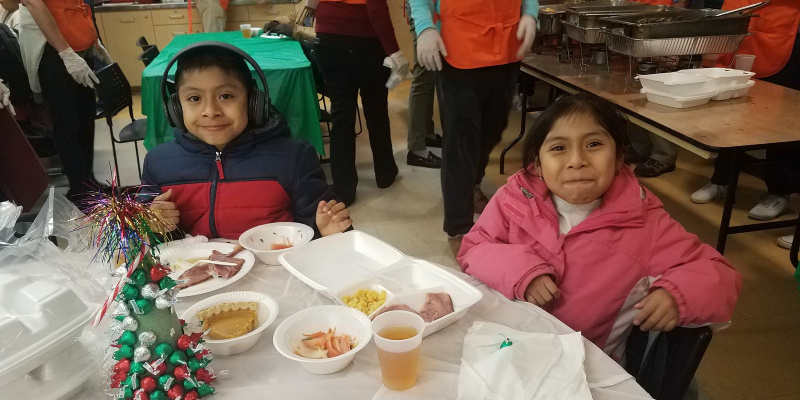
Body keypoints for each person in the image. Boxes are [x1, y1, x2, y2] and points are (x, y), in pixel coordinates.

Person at [457, 94, 742, 359]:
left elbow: (718, 273)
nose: (577, 161)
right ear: (539, 165)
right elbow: (475, 248)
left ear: (619, 158)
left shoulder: (645, 223)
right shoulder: (515, 199)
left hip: (585, 369)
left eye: (594, 144)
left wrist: (677, 294)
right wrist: (522, 273)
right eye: (558, 148)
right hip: (506, 348)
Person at [141, 43, 352, 239]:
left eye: (225, 96)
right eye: (194, 98)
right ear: (175, 108)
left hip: (275, 273)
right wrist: (150, 224)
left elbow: (322, 232)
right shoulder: (158, 164)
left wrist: (325, 232)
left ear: (254, 102)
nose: (211, 111)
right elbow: (138, 237)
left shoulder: (294, 158)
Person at [408, 0, 538, 256]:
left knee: (496, 127)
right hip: (458, 49)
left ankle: (473, 183)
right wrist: (424, 27)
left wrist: (530, 13)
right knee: (461, 141)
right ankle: (458, 226)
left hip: (506, 47)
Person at [690, 0, 800, 249]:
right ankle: (721, 180)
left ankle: (778, 191)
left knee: (781, 117)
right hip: (739, 19)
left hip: (779, 27)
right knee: (731, 104)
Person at [314, 0, 409, 205]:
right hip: (364, 40)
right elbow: (377, 8)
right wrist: (394, 51)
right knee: (376, 111)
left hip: (327, 37)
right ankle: (385, 173)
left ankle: (343, 189)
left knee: (341, 115)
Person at [18, 0, 112, 205]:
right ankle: (80, 188)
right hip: (53, 49)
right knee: (68, 122)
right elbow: (34, 4)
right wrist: (66, 53)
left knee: (86, 116)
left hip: (78, 42)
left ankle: (88, 182)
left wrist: (93, 38)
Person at [628, 0, 703, 178]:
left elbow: (680, 8)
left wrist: (674, 29)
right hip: (639, 30)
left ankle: (664, 156)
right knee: (633, 96)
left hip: (666, 31)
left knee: (660, 99)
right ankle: (639, 149)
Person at [403, 0, 441, 169]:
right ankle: (416, 148)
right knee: (423, 78)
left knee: (428, 78)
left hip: (431, 10)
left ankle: (426, 134)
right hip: (425, 11)